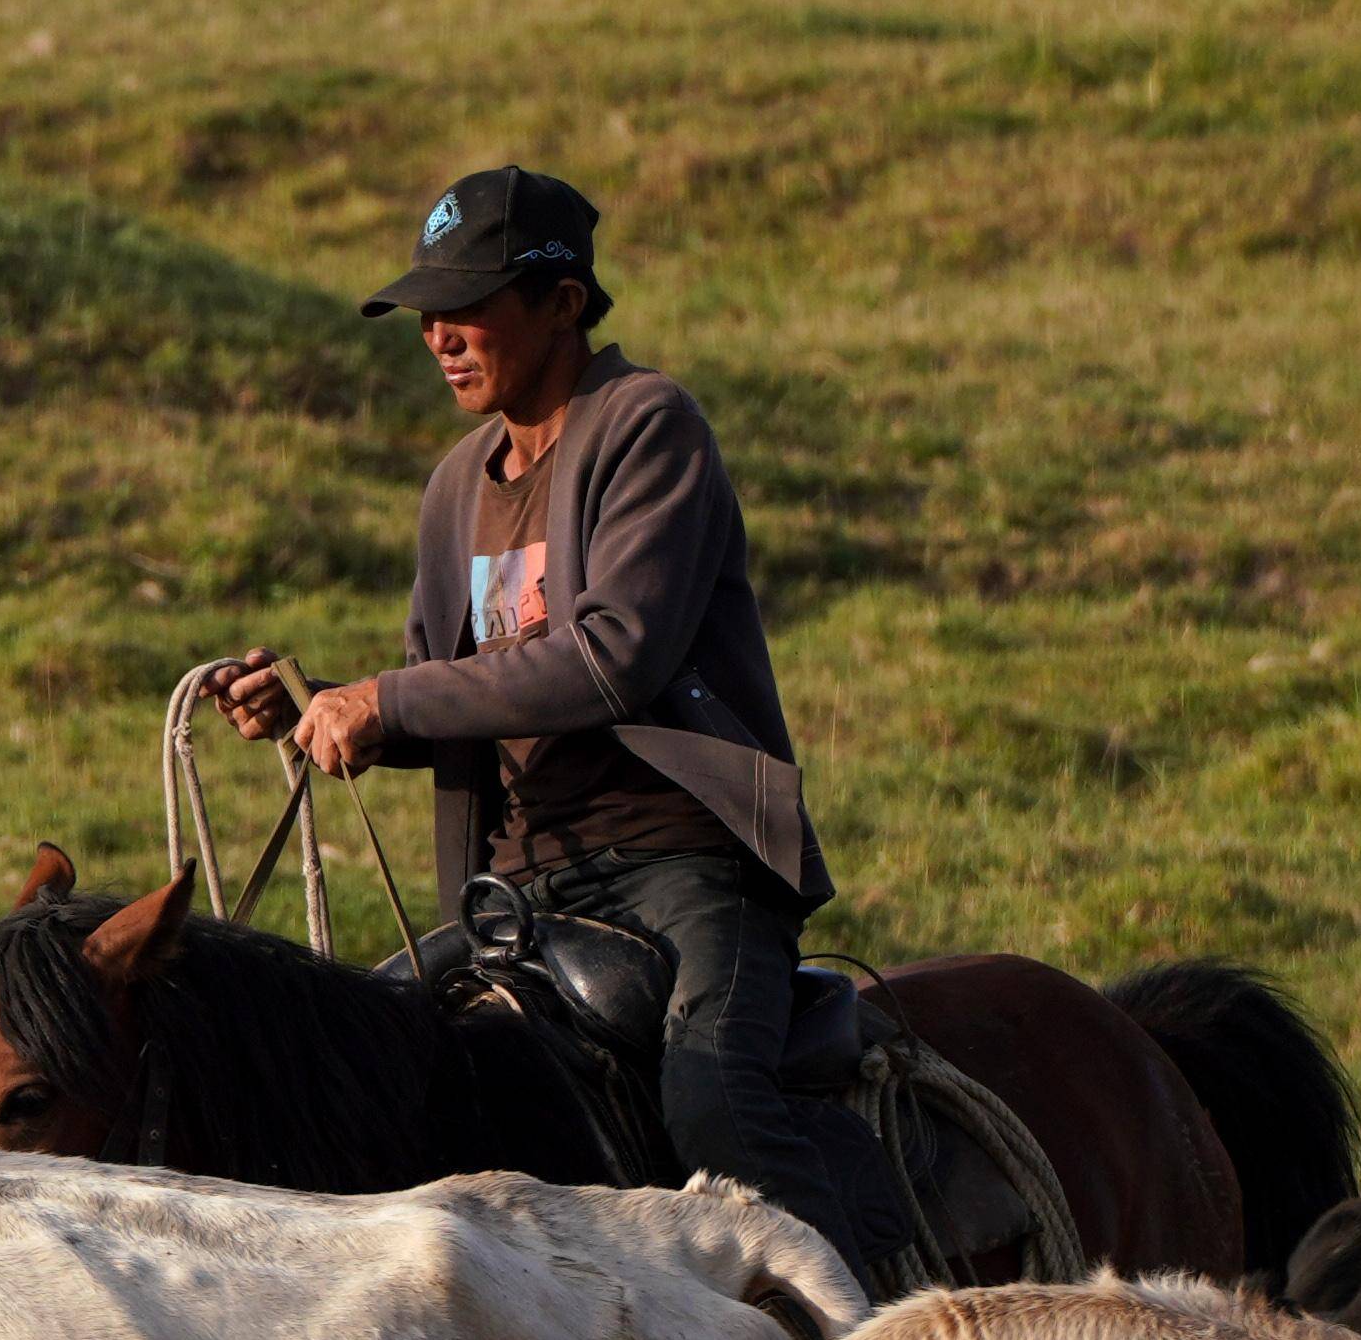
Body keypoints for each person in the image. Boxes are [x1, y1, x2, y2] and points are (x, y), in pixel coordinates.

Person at [226, 164, 889, 1268]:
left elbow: (612, 656)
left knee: (713, 1103)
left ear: (563, 302)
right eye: (425, 312)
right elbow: (445, 697)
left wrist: (384, 699)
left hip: (684, 864)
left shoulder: (646, 426)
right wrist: (317, 707)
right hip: (514, 890)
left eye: (467, 304)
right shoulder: (453, 487)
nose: (437, 333)